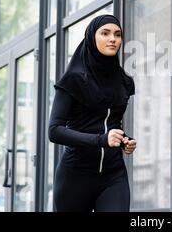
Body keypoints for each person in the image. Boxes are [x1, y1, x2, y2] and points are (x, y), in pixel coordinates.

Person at [49, 14, 137, 212]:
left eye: (117, 34)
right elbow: (54, 131)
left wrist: (124, 140)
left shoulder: (123, 81)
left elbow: (111, 124)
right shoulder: (73, 80)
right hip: (76, 176)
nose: (112, 39)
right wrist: (101, 139)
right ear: (91, 37)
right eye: (105, 33)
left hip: (113, 175)